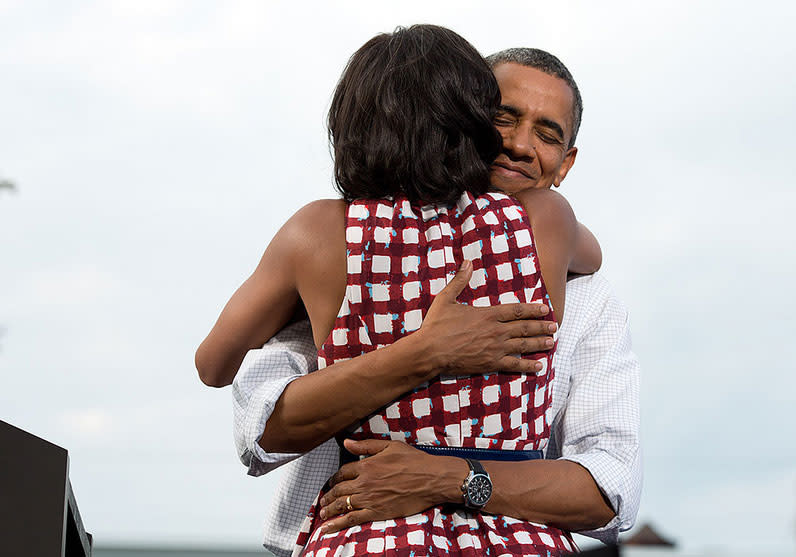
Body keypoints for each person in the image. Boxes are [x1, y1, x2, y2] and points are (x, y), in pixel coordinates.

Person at [197, 25, 604, 556]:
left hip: (367, 529)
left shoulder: (317, 234)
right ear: (472, 126)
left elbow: (213, 365)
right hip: (514, 535)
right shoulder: (545, 218)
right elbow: (593, 257)